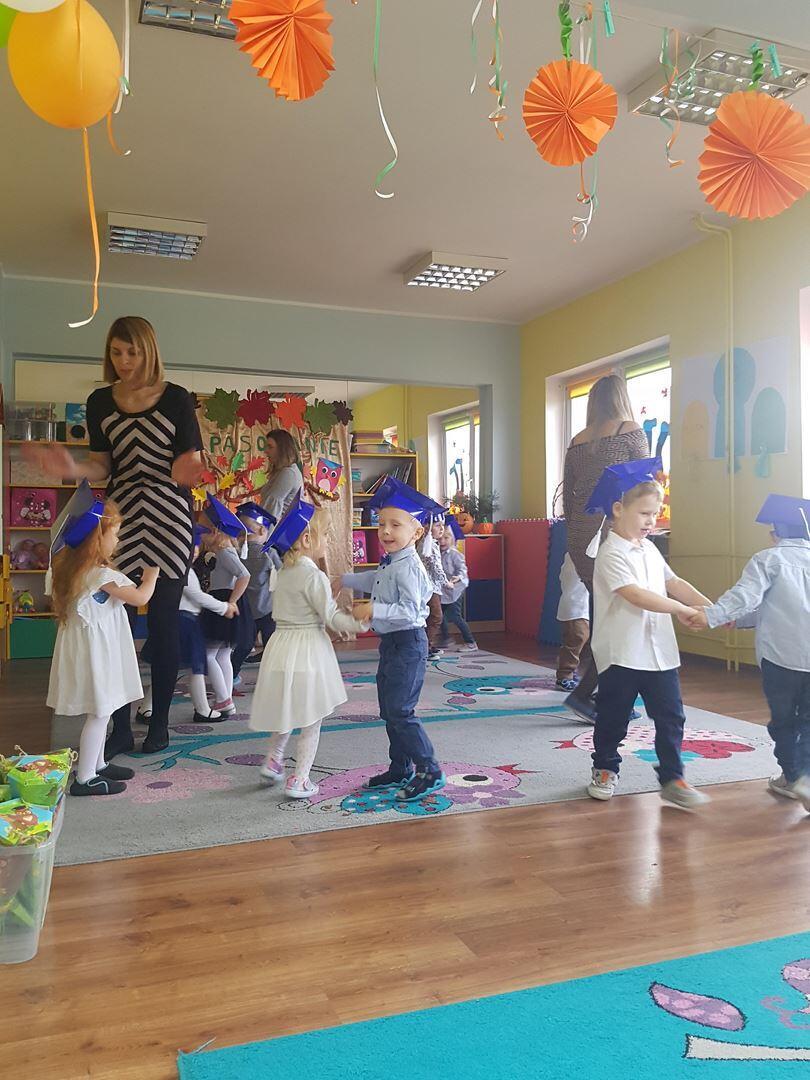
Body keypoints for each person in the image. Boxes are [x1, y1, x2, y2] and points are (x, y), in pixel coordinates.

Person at [26, 316, 203, 756]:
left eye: (133, 352)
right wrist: (72, 467)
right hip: (120, 519)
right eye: (117, 352)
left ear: (150, 351)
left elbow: (189, 463)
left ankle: (159, 723)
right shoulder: (100, 401)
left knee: (163, 622)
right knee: (113, 622)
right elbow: (102, 466)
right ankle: (119, 725)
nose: (124, 361)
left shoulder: (177, 398)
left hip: (169, 515)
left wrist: (190, 469)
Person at [584, 458, 713, 809]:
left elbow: (674, 583)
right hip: (623, 653)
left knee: (671, 716)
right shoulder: (610, 552)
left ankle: (672, 777)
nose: (651, 521)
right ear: (618, 509)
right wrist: (683, 611)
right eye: (644, 513)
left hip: (660, 653)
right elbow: (635, 595)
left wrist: (710, 608)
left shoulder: (651, 549)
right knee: (613, 717)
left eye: (655, 514)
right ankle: (605, 768)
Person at [686, 495, 810, 810]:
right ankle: (807, 777)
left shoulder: (769, 559)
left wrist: (712, 616)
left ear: (774, 534)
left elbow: (747, 596)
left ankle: (793, 777)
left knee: (783, 721)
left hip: (781, 659)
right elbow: (779, 607)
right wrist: (738, 620)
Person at [249, 497, 368, 799]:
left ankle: (273, 760)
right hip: (308, 650)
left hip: (280, 646)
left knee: (287, 710)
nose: (327, 540)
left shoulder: (283, 572)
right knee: (311, 718)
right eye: (325, 534)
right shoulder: (314, 575)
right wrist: (360, 623)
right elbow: (330, 617)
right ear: (305, 539)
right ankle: (300, 780)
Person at [46, 487, 158, 796]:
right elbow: (140, 597)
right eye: (115, 534)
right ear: (97, 539)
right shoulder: (99, 575)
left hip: (90, 649)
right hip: (97, 653)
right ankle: (85, 778)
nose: (118, 541)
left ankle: (97, 765)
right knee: (99, 713)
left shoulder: (74, 571)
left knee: (101, 709)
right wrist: (152, 575)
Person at [342, 477, 446, 803]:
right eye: (381, 524)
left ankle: (430, 770)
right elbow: (375, 579)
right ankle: (400, 768)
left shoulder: (410, 567)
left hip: (409, 644)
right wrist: (343, 579)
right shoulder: (391, 561)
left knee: (401, 710)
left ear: (416, 532)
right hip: (391, 644)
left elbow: (411, 611)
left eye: (395, 525)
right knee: (389, 710)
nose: (385, 531)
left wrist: (375, 609)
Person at [562, 373, 648, 722]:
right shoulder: (630, 430)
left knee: (606, 613)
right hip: (612, 531)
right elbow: (644, 486)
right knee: (617, 619)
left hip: (580, 534)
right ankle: (586, 695)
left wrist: (578, 529)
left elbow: (568, 498)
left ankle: (605, 696)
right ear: (621, 398)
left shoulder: (577, 440)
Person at [138, 524, 238, 723]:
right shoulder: (181, 570)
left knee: (170, 666)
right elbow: (196, 595)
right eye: (192, 547)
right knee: (194, 666)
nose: (195, 552)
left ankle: (147, 707)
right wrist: (224, 607)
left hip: (182, 620)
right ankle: (202, 709)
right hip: (183, 621)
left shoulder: (175, 568)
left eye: (196, 547)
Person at [199, 496, 251, 718]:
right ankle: (225, 698)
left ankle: (224, 699)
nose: (200, 535)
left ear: (214, 531)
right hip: (224, 601)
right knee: (222, 655)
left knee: (208, 654)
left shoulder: (224, 552)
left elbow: (244, 575)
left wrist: (231, 601)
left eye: (202, 530)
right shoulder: (224, 552)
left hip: (223, 602)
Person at [231, 502, 280, 677]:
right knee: (272, 645)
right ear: (262, 530)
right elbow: (282, 574)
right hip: (267, 608)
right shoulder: (269, 553)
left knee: (244, 646)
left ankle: (232, 673)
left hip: (245, 610)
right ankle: (273, 676)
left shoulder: (237, 553)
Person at [438, 518, 477, 652]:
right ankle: (446, 638)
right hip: (443, 590)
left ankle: (470, 642)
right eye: (440, 538)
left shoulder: (455, 555)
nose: (442, 541)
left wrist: (458, 577)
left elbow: (462, 570)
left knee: (455, 616)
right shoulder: (437, 554)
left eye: (446, 538)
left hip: (456, 590)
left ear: (452, 539)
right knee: (439, 615)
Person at [555, 553, 590, 691]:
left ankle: (572, 670)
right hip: (576, 608)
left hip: (584, 607)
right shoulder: (578, 555)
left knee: (582, 643)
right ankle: (564, 675)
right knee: (575, 641)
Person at [418, 516, 449, 660]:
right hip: (430, 588)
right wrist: (446, 582)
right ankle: (424, 648)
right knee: (436, 617)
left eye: (442, 525)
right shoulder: (428, 545)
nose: (441, 528)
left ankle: (428, 644)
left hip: (430, 587)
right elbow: (436, 567)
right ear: (427, 528)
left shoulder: (430, 543)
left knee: (430, 617)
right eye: (437, 525)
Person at [259, 429, 304, 522]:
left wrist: (261, 530)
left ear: (282, 449)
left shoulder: (289, 473)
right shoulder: (284, 472)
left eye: (270, 447)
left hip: (279, 529)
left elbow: (272, 512)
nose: (266, 451)